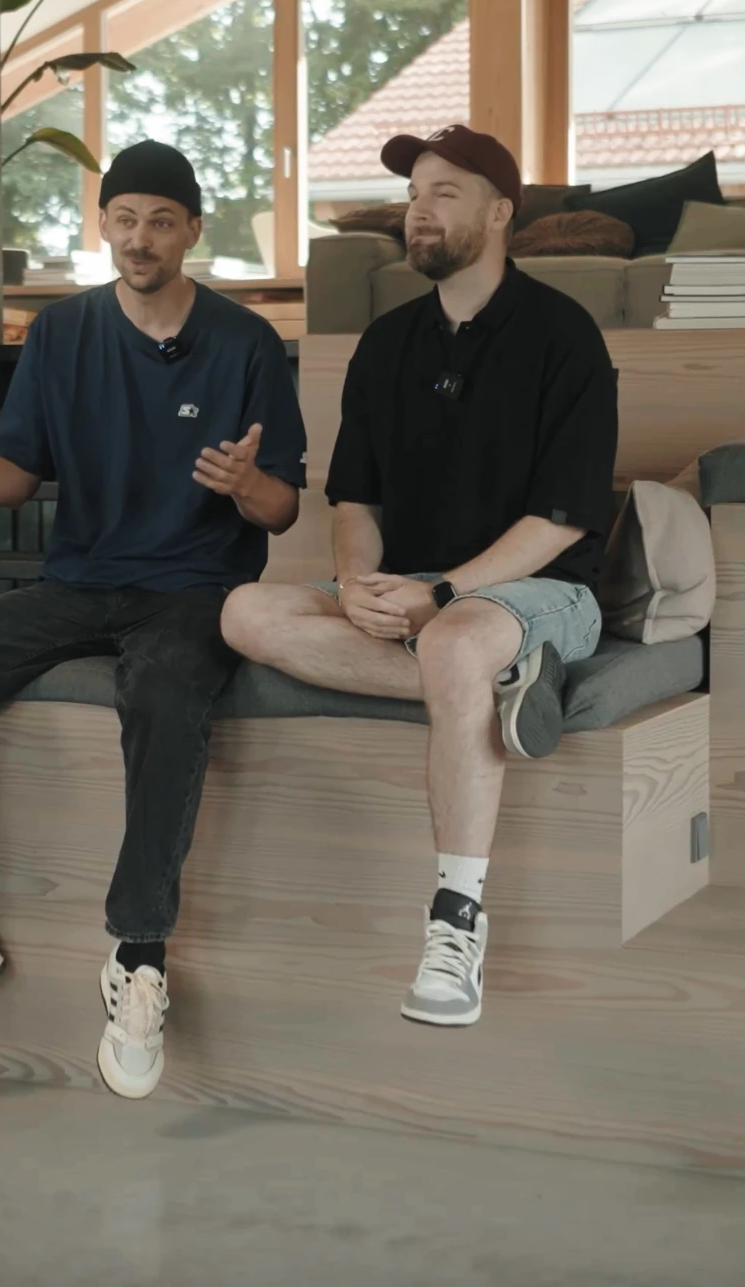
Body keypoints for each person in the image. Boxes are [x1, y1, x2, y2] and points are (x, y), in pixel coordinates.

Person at [0, 139, 305, 1098]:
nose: (141, 238)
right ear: (103, 225)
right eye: (125, 219)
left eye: (161, 222)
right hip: (80, 580)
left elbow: (282, 511)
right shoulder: (60, 335)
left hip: (197, 587)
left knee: (163, 689)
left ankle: (138, 956)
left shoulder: (247, 343)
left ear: (192, 231)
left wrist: (245, 484)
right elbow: (18, 477)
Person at [219, 124, 619, 1029]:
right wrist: (359, 586)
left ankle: (456, 924)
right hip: (419, 595)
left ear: (500, 212)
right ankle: (500, 686)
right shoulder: (386, 343)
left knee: (457, 642)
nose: (419, 211)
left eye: (444, 193)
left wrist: (442, 596)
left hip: (543, 591)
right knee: (244, 612)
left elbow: (560, 521)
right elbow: (354, 500)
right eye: (412, 195)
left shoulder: (563, 334)